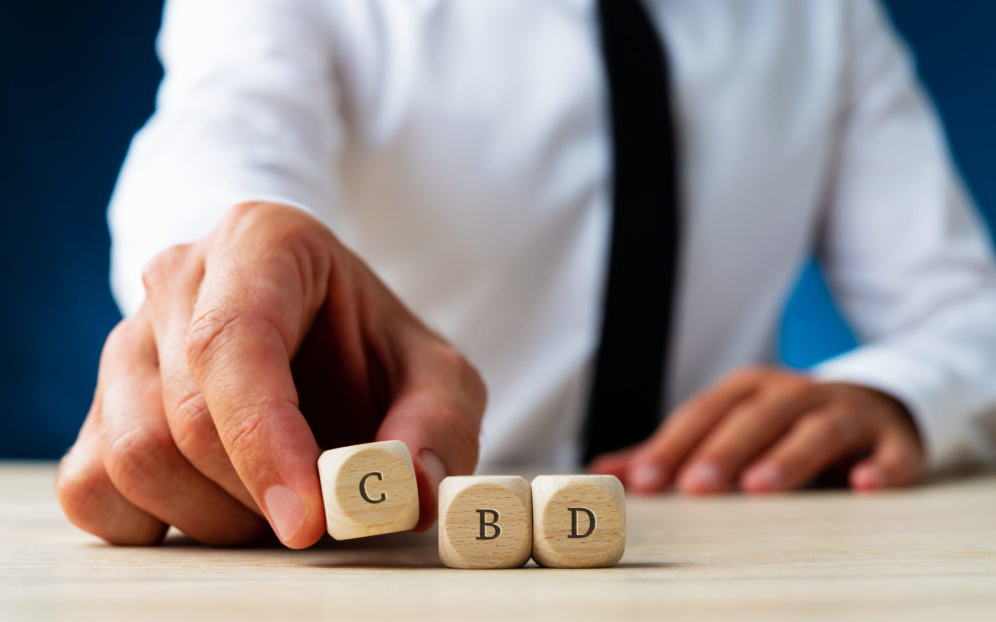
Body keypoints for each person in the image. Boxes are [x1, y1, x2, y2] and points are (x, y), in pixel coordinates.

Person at [56, 0, 996, 549]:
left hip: (719, 553)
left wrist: (896, 392)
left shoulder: (820, 17)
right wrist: (223, 273)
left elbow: (968, 313)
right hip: (396, 561)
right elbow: (222, 130)